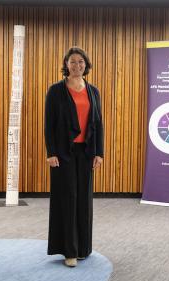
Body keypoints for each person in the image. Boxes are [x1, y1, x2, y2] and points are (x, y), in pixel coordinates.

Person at [45, 46, 104, 267]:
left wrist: (99, 152)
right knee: (67, 199)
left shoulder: (93, 91)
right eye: (73, 62)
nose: (77, 65)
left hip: (87, 153)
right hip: (63, 153)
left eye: (81, 62)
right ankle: (69, 251)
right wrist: (50, 152)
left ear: (86, 65)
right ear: (66, 65)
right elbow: (48, 125)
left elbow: (98, 123)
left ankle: (82, 248)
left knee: (84, 200)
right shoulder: (55, 91)